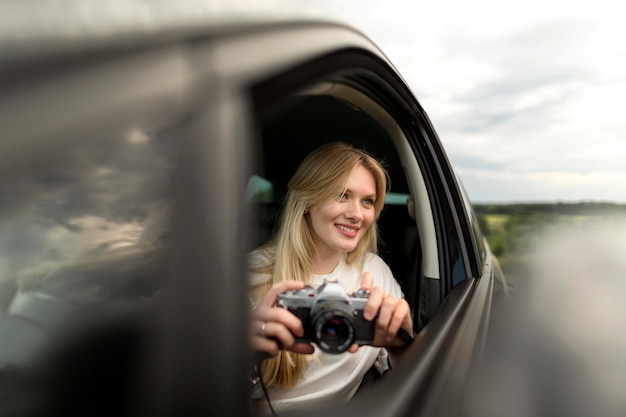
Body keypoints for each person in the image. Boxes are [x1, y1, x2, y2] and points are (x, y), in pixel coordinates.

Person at [248, 142, 414, 415]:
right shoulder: (251, 274)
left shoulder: (375, 273)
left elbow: (414, 375)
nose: (357, 214)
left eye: (367, 201)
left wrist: (401, 346)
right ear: (306, 202)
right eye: (341, 195)